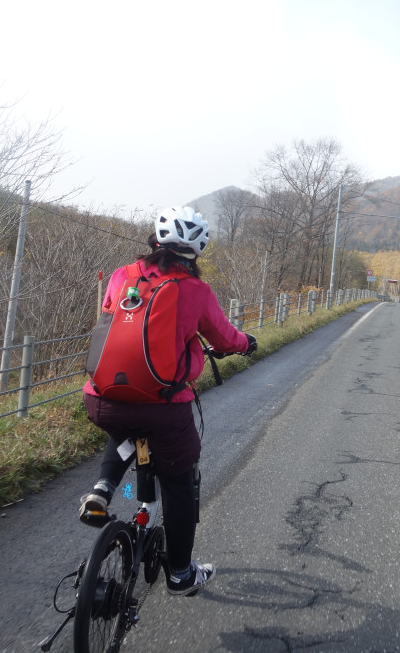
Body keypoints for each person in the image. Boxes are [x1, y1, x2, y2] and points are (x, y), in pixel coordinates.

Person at [80, 206, 256, 596]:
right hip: (164, 407)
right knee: (178, 481)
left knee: (125, 428)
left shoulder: (121, 277)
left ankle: (105, 488)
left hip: (102, 398)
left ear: (155, 241)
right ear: (195, 253)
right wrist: (247, 344)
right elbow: (226, 338)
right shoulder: (194, 290)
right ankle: (180, 573)